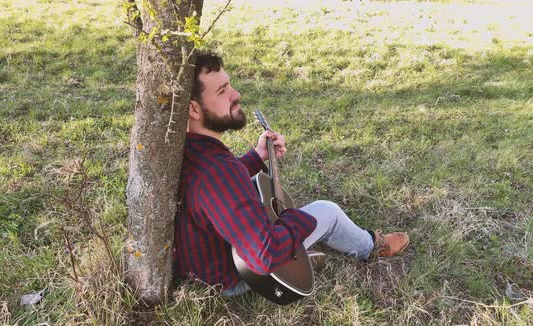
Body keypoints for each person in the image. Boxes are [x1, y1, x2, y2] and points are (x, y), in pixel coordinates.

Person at [173, 50, 410, 297]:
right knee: (326, 211)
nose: (236, 95)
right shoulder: (220, 171)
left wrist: (257, 156)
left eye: (230, 85)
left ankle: (305, 253)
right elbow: (265, 256)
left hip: (202, 267)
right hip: (236, 278)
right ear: (193, 109)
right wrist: (298, 219)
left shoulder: (189, 152)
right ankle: (370, 246)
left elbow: (218, 192)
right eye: (222, 91)